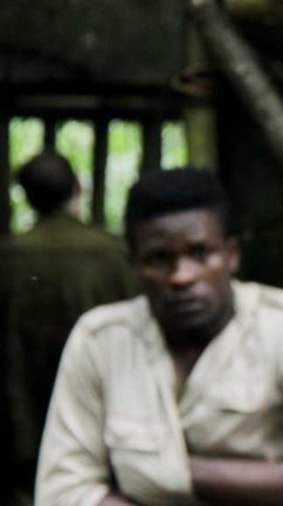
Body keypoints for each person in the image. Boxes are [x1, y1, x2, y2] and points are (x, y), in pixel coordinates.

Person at [35, 167, 283, 505]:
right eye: (160, 259)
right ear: (133, 264)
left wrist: (166, 474)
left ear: (231, 255)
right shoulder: (100, 341)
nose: (181, 276)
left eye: (200, 253)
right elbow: (62, 493)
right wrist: (271, 475)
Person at [0, 150, 136, 504]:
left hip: (22, 414)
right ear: (77, 187)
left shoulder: (9, 256)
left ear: (27, 196)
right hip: (105, 407)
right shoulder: (116, 253)